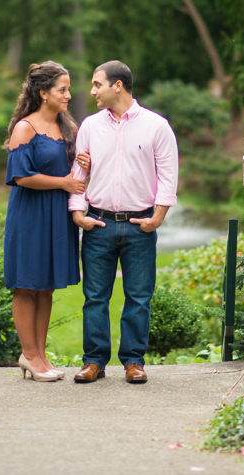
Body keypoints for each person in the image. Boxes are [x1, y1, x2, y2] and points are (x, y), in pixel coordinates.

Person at [68, 60, 179, 384]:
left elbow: (168, 175)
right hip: (98, 225)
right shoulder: (89, 126)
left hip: (139, 226)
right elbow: (79, 173)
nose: (92, 91)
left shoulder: (156, 126)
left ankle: (133, 361)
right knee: (95, 298)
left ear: (118, 85)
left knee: (139, 297)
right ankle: (94, 362)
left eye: (97, 84)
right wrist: (78, 214)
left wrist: (158, 216)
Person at [4, 61, 90, 382]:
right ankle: (29, 355)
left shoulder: (68, 127)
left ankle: (40, 356)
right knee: (27, 286)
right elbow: (20, 176)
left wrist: (85, 164)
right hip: (30, 216)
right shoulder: (25, 128)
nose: (68, 95)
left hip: (57, 215)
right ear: (43, 93)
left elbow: (75, 175)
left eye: (68, 89)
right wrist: (64, 183)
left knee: (46, 287)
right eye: (62, 89)